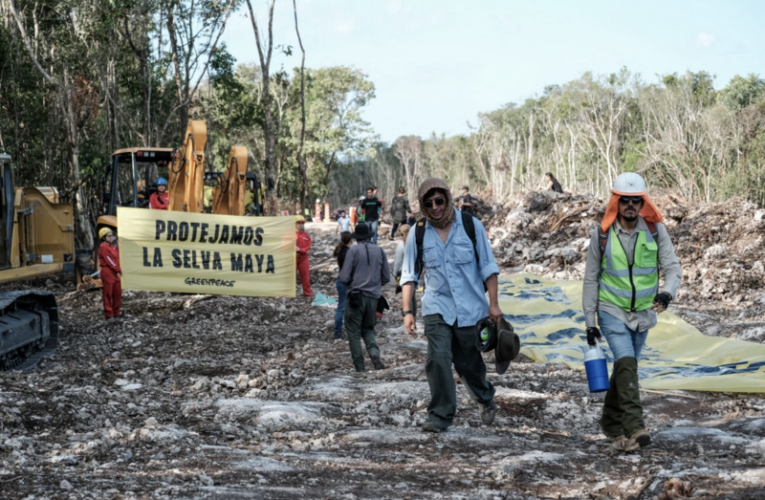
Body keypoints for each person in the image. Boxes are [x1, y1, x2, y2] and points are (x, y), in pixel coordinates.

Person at [583, 172, 681, 452]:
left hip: (643, 315)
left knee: (625, 369)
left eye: (635, 201)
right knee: (626, 364)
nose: (629, 205)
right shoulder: (601, 235)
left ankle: (610, 423)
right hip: (611, 311)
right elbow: (591, 280)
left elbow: (673, 268)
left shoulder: (655, 231)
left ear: (642, 203)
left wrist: (667, 292)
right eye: (624, 200)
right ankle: (635, 427)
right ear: (616, 202)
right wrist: (591, 322)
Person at [400, 178, 503, 433]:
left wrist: (494, 305)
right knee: (438, 358)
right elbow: (409, 274)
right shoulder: (419, 231)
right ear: (423, 206)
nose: (435, 207)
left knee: (468, 363)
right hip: (437, 306)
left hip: (470, 307)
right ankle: (440, 415)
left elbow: (488, 267)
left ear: (447, 199)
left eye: (439, 201)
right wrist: (407, 311)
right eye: (429, 203)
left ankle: (484, 397)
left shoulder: (471, 225)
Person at [339, 222, 390, 372]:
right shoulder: (379, 251)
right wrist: (374, 283)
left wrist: (355, 281)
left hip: (356, 297)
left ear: (356, 238)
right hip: (374, 298)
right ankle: (374, 355)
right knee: (368, 329)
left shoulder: (353, 251)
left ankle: (360, 367)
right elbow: (386, 277)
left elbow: (344, 277)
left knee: (353, 332)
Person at [98, 227, 122, 320]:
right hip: (108, 271)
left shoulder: (111, 246)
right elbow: (109, 261)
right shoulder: (103, 247)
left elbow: (117, 256)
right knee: (108, 293)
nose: (111, 237)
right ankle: (109, 314)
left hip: (114, 272)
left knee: (117, 293)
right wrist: (118, 269)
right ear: (103, 237)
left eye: (112, 235)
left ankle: (116, 312)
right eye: (109, 236)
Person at [393, 224, 416, 317]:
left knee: (406, 294)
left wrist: (395, 273)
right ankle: (413, 313)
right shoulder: (415, 243)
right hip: (414, 271)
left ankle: (407, 313)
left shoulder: (401, 245)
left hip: (403, 272)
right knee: (412, 294)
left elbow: (398, 261)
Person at [333, 232, 353, 340]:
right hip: (345, 282)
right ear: (351, 240)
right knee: (342, 307)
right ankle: (338, 332)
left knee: (342, 306)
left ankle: (339, 331)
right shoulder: (348, 252)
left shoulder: (341, 250)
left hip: (340, 281)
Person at [295, 215, 312, 297]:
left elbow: (308, 246)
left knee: (305, 277)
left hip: (303, 258)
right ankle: (288, 293)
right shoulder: (290, 235)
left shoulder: (306, 236)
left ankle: (307, 293)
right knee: (290, 277)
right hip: (293, 258)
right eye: (298, 223)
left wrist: (301, 250)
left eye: (302, 223)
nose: (301, 225)